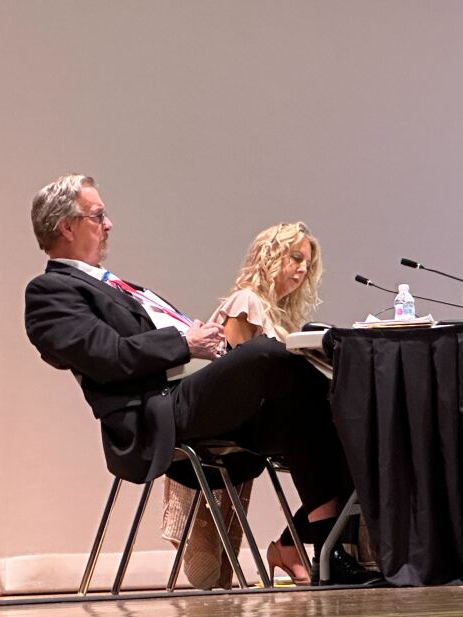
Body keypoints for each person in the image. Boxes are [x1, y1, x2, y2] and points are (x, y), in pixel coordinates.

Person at [24, 174, 379, 587]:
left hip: (192, 390)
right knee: (267, 353)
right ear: (67, 226)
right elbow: (107, 356)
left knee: (314, 412)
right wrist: (182, 341)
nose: (109, 224)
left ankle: (328, 551)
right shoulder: (51, 291)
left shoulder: (119, 285)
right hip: (156, 408)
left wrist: (196, 339)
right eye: (98, 215)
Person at [161, 222, 324, 588]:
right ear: (270, 256)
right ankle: (290, 545)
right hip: (223, 421)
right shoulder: (246, 301)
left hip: (257, 422)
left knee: (326, 441)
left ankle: (292, 544)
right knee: (320, 440)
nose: (301, 268)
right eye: (295, 257)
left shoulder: (281, 315)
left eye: (307, 264)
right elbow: (232, 374)